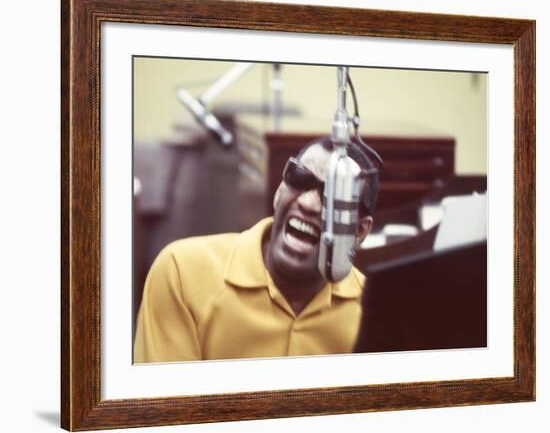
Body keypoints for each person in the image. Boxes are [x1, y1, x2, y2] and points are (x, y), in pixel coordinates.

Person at [134, 138, 379, 363]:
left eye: (333, 197)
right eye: (300, 178)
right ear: (279, 191)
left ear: (359, 232)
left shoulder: (373, 311)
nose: (307, 203)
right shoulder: (181, 272)